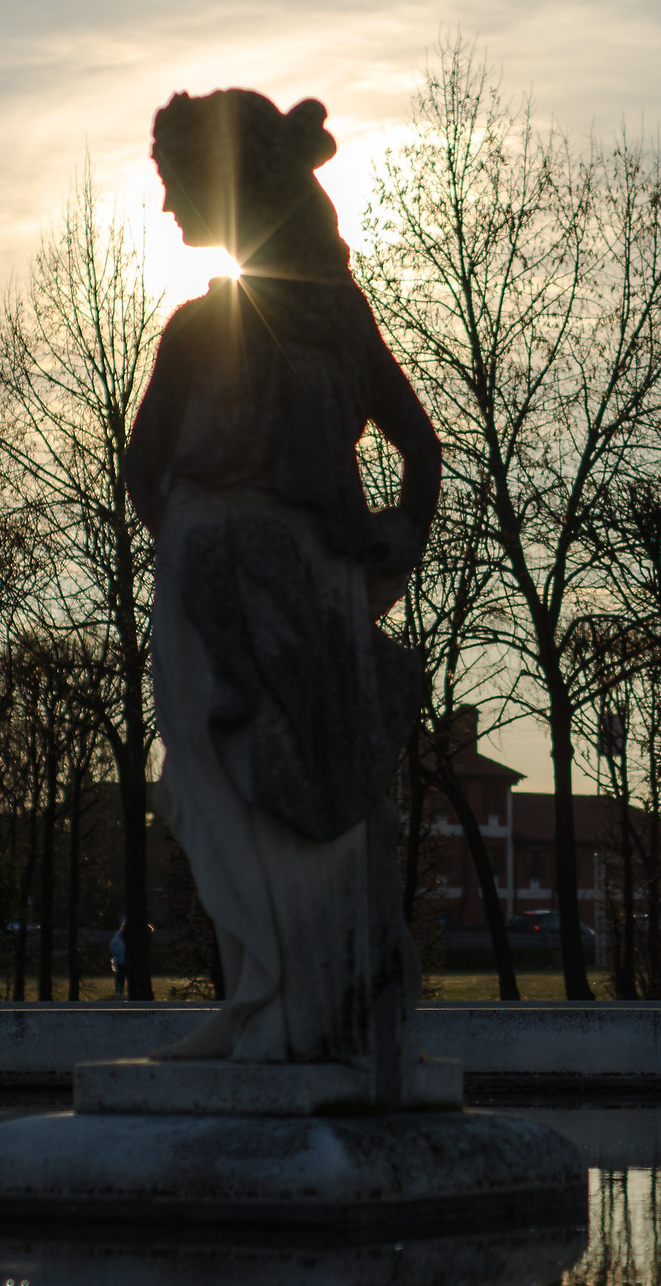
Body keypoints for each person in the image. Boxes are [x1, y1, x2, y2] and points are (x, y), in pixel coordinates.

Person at [122, 89, 441, 1071]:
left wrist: (391, 535)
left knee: (285, 788)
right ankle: (263, 995)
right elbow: (143, 468)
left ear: (231, 183)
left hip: (289, 578)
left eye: (177, 181)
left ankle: (299, 1006)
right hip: (231, 575)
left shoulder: (307, 320)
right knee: (227, 793)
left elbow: (420, 446)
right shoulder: (225, 325)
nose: (167, 204)